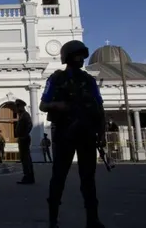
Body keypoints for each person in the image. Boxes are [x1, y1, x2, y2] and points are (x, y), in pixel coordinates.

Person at [40, 40, 106, 228]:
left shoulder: (89, 80)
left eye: (82, 56)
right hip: (64, 134)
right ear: (68, 57)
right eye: (77, 55)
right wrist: (57, 105)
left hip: (86, 134)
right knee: (59, 176)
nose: (81, 59)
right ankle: (53, 218)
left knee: (88, 178)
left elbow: (99, 107)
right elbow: (43, 105)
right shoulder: (56, 79)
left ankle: (92, 218)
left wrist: (101, 133)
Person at [15, 99, 35, 184]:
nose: (16, 108)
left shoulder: (25, 115)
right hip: (22, 138)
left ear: (21, 106)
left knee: (25, 158)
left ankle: (28, 177)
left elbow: (30, 125)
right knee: (24, 158)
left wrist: (24, 135)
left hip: (24, 138)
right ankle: (28, 176)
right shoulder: (22, 115)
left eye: (17, 106)